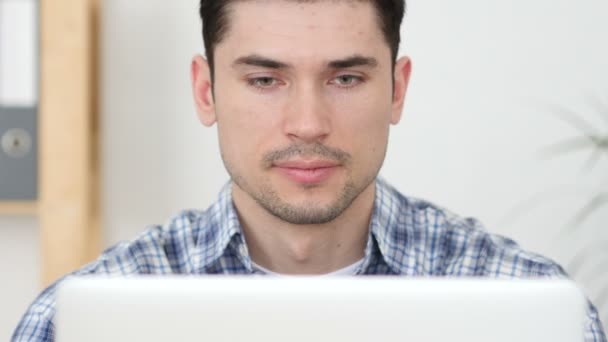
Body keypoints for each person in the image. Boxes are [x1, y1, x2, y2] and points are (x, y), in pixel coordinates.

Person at [12, 0, 606, 341]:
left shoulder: (527, 307)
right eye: (265, 80)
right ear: (205, 91)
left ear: (396, 91)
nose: (308, 123)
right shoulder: (74, 323)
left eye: (345, 78)